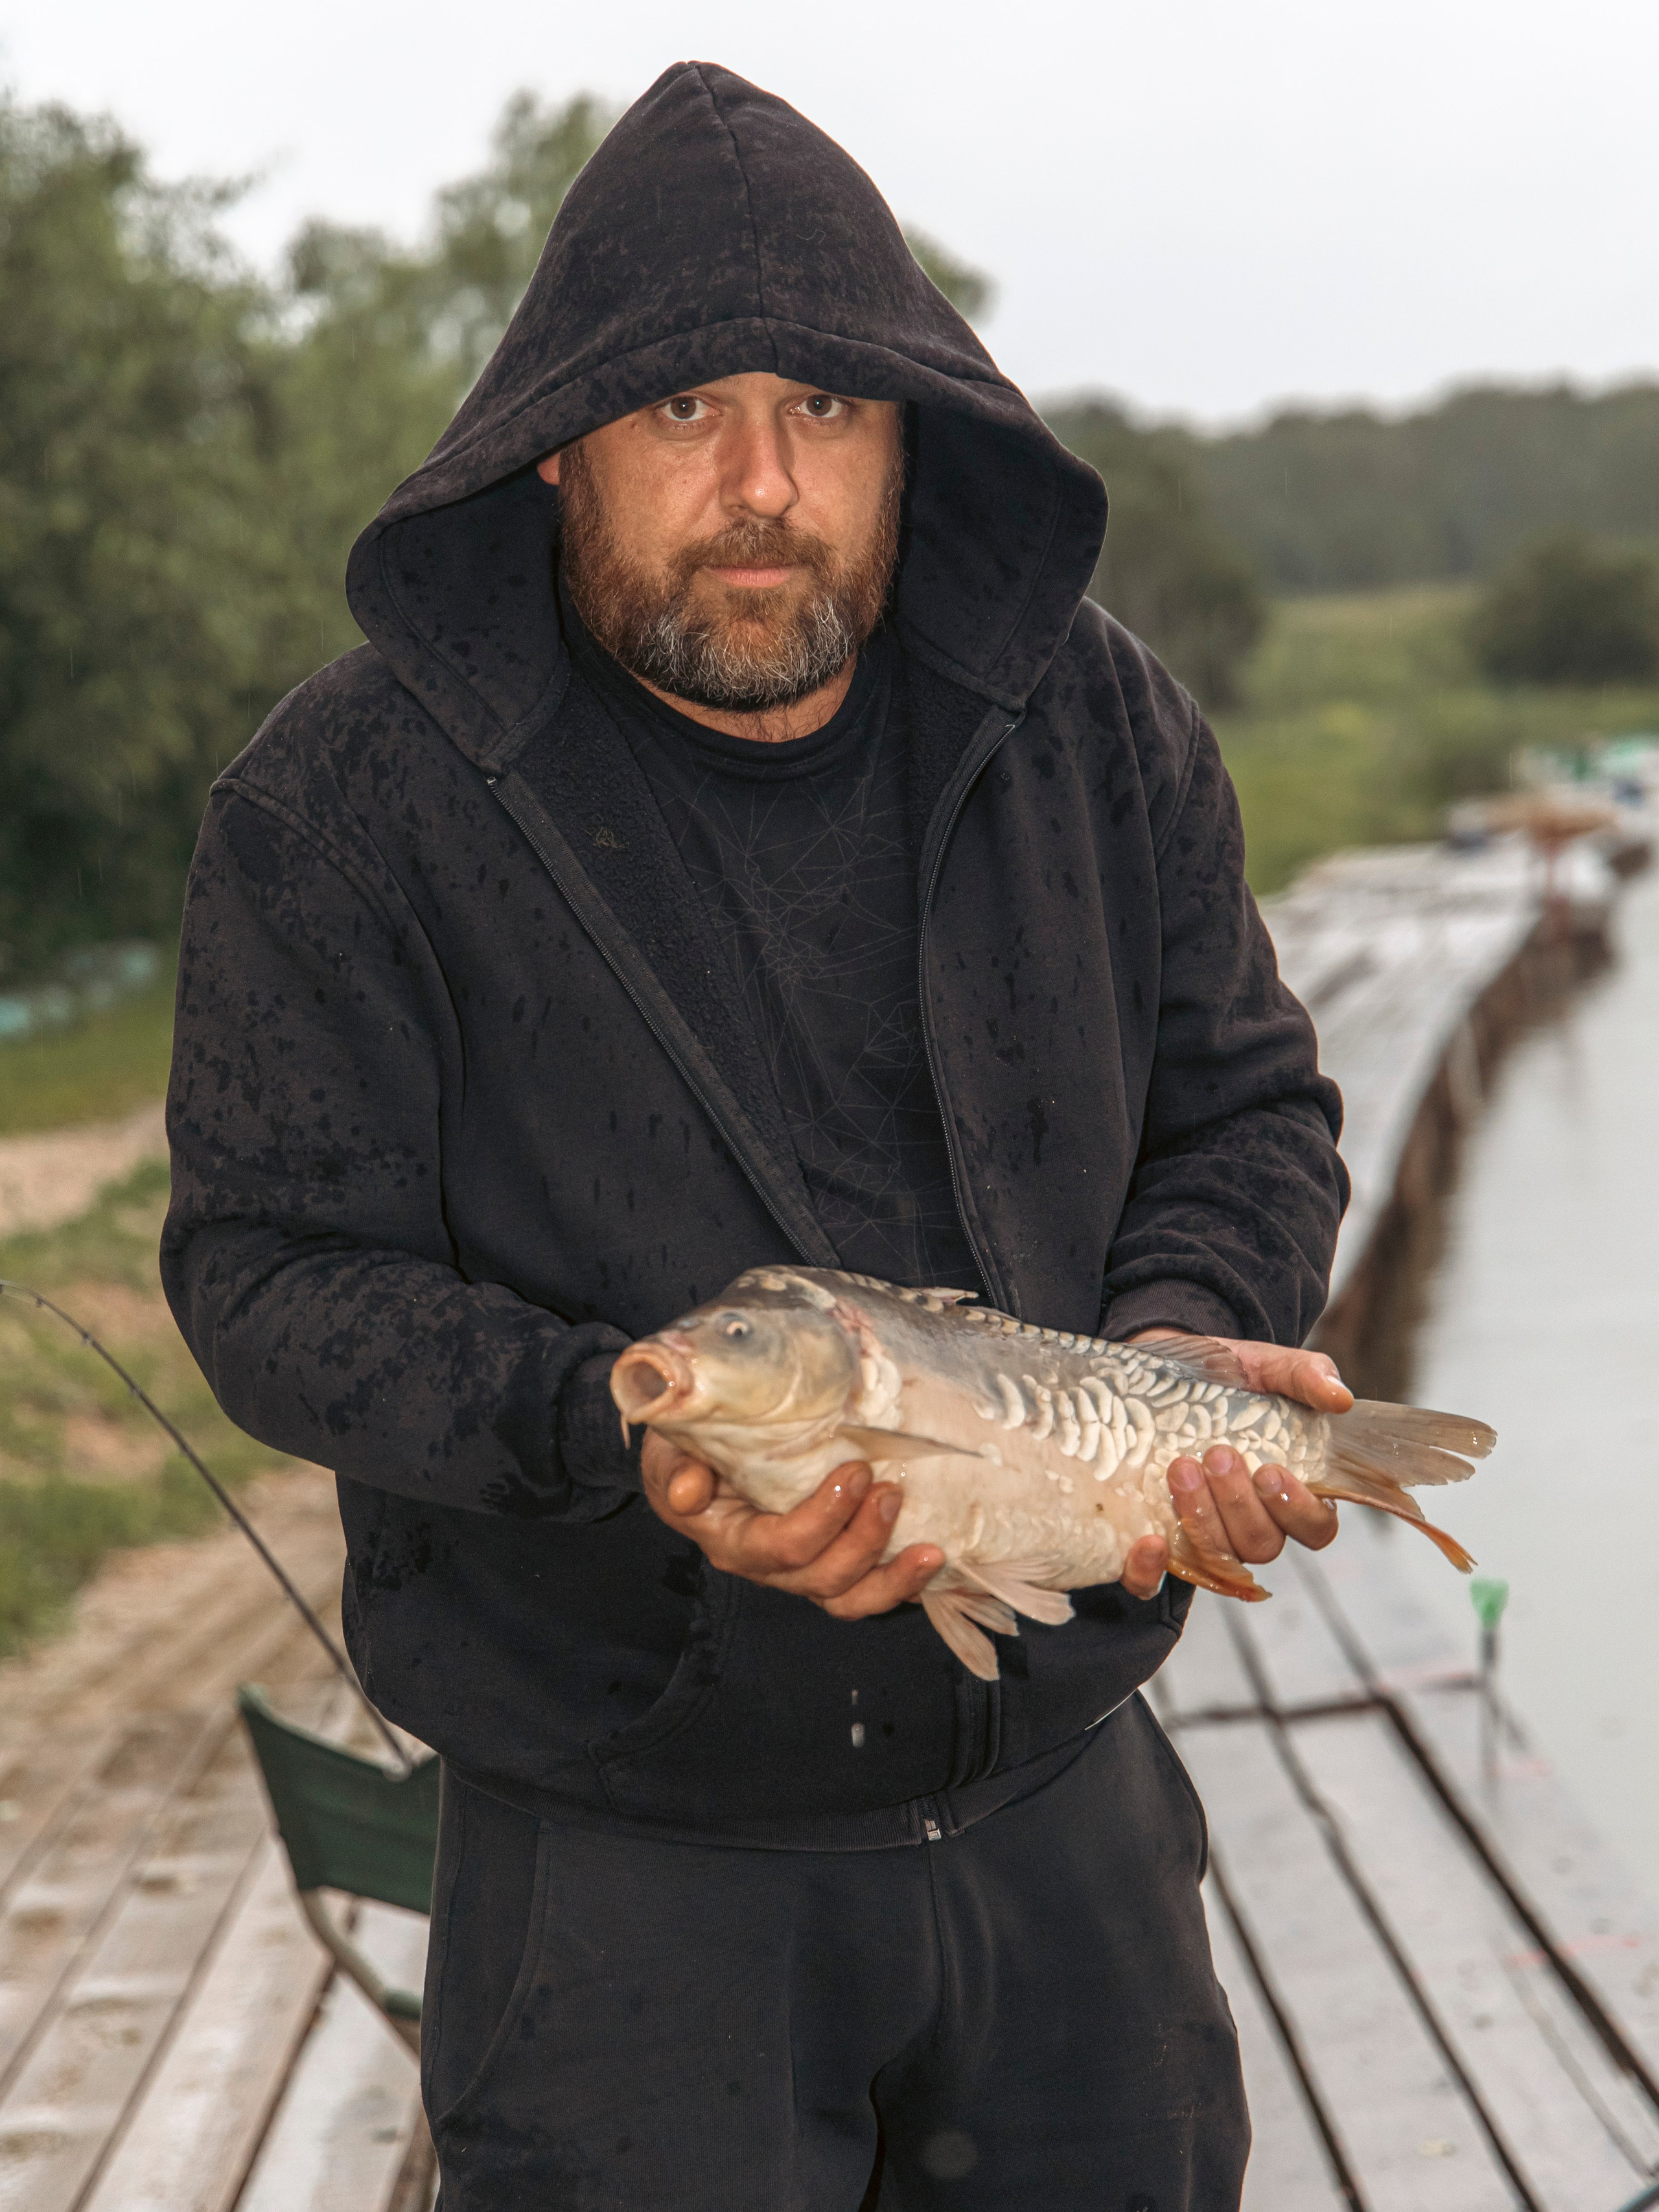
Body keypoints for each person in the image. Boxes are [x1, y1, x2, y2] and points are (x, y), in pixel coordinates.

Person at [162, 60, 1349, 2211]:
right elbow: (262, 1277)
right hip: (627, 1876)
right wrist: (615, 1435)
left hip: (1063, 1820)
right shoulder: (345, 812)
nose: (763, 487)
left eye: (826, 410)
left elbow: (1249, 1106)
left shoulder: (1094, 723)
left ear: (913, 436)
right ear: (555, 453)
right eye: (684, 415)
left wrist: (1180, 1352)